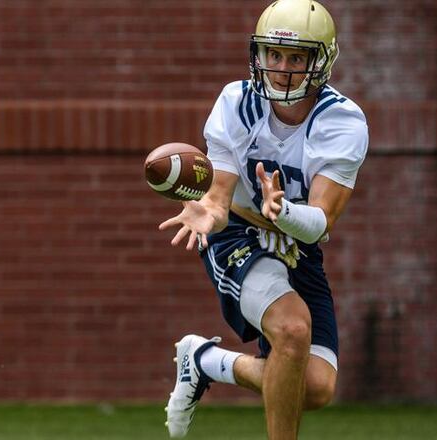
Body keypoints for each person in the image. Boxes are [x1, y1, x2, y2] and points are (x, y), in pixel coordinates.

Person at [158, 0, 368, 438]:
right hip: (237, 231)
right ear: (259, 54)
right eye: (274, 54)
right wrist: (209, 212)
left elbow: (321, 222)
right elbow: (218, 199)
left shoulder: (341, 121)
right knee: (292, 328)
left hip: (296, 240)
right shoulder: (236, 103)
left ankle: (205, 361)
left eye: (297, 57)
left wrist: (284, 211)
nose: (282, 68)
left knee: (314, 388)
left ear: (322, 61)